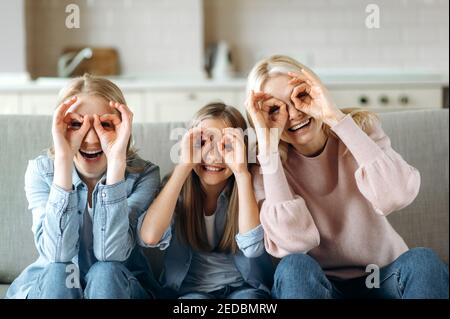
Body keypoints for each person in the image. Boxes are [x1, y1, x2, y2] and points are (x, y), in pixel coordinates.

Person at [246, 55, 449, 299]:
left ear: (317, 92)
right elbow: (294, 243)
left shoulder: (361, 129)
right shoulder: (265, 164)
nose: (294, 114)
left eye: (300, 97)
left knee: (423, 261)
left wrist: (335, 117)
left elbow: (397, 195)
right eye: (276, 109)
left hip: (383, 278)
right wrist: (269, 149)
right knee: (293, 268)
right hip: (320, 287)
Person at [6, 74, 161, 299]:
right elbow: (58, 253)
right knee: (60, 270)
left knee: (105, 271)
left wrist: (116, 164)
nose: (90, 139)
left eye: (105, 124)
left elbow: (111, 253)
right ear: (60, 127)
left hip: (117, 285)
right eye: (76, 124)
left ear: (122, 129)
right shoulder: (41, 171)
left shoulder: (144, 175)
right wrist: (63, 160)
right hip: (54, 284)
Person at [139, 102, 273, 299]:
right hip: (190, 291)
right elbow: (149, 237)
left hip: (245, 288)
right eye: (202, 143)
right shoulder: (176, 187)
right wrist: (184, 165)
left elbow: (253, 248)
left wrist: (242, 173)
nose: (213, 155)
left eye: (226, 145)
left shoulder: (252, 184)